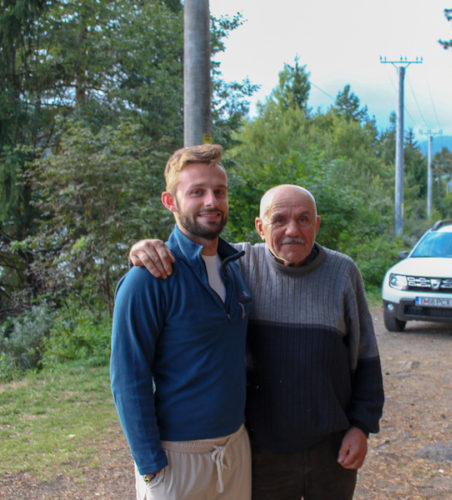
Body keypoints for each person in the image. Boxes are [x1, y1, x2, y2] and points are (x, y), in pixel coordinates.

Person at [130, 184, 385, 500]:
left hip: (331, 448)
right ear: (260, 228)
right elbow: (190, 252)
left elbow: (366, 358)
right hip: (260, 451)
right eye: (279, 220)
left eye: (304, 219)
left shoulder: (343, 271)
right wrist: (146, 248)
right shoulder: (237, 265)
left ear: (317, 225)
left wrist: (361, 427)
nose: (293, 230)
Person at [111, 144, 252, 500]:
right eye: (196, 192)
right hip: (176, 459)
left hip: (235, 449)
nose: (211, 201)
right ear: (170, 201)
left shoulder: (235, 267)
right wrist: (149, 466)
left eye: (219, 191)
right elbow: (128, 377)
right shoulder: (148, 279)